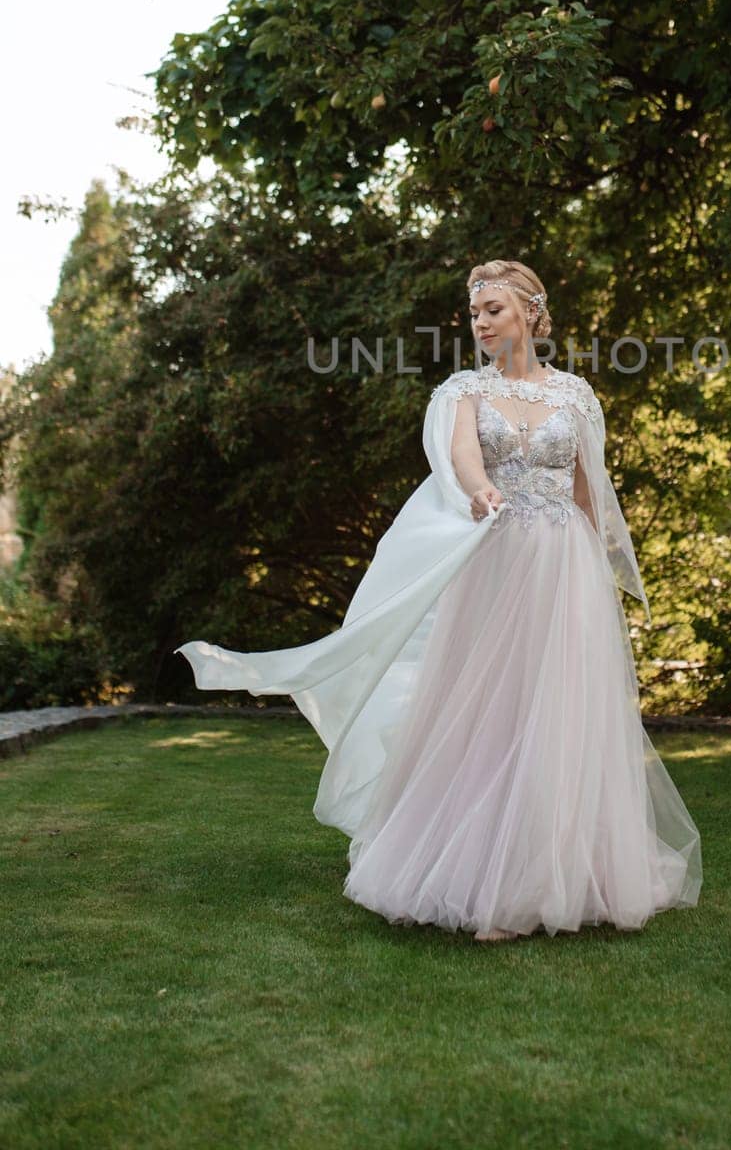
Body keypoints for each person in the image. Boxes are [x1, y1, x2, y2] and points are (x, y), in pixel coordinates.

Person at [176, 260, 702, 941]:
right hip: (496, 557)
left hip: (564, 563)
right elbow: (461, 458)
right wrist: (481, 490)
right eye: (475, 313)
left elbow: (586, 489)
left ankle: (565, 872)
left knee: (559, 711)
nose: (481, 324)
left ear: (531, 316)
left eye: (493, 310)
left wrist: (597, 572)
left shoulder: (575, 397)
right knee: (489, 708)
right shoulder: (463, 391)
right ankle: (483, 875)